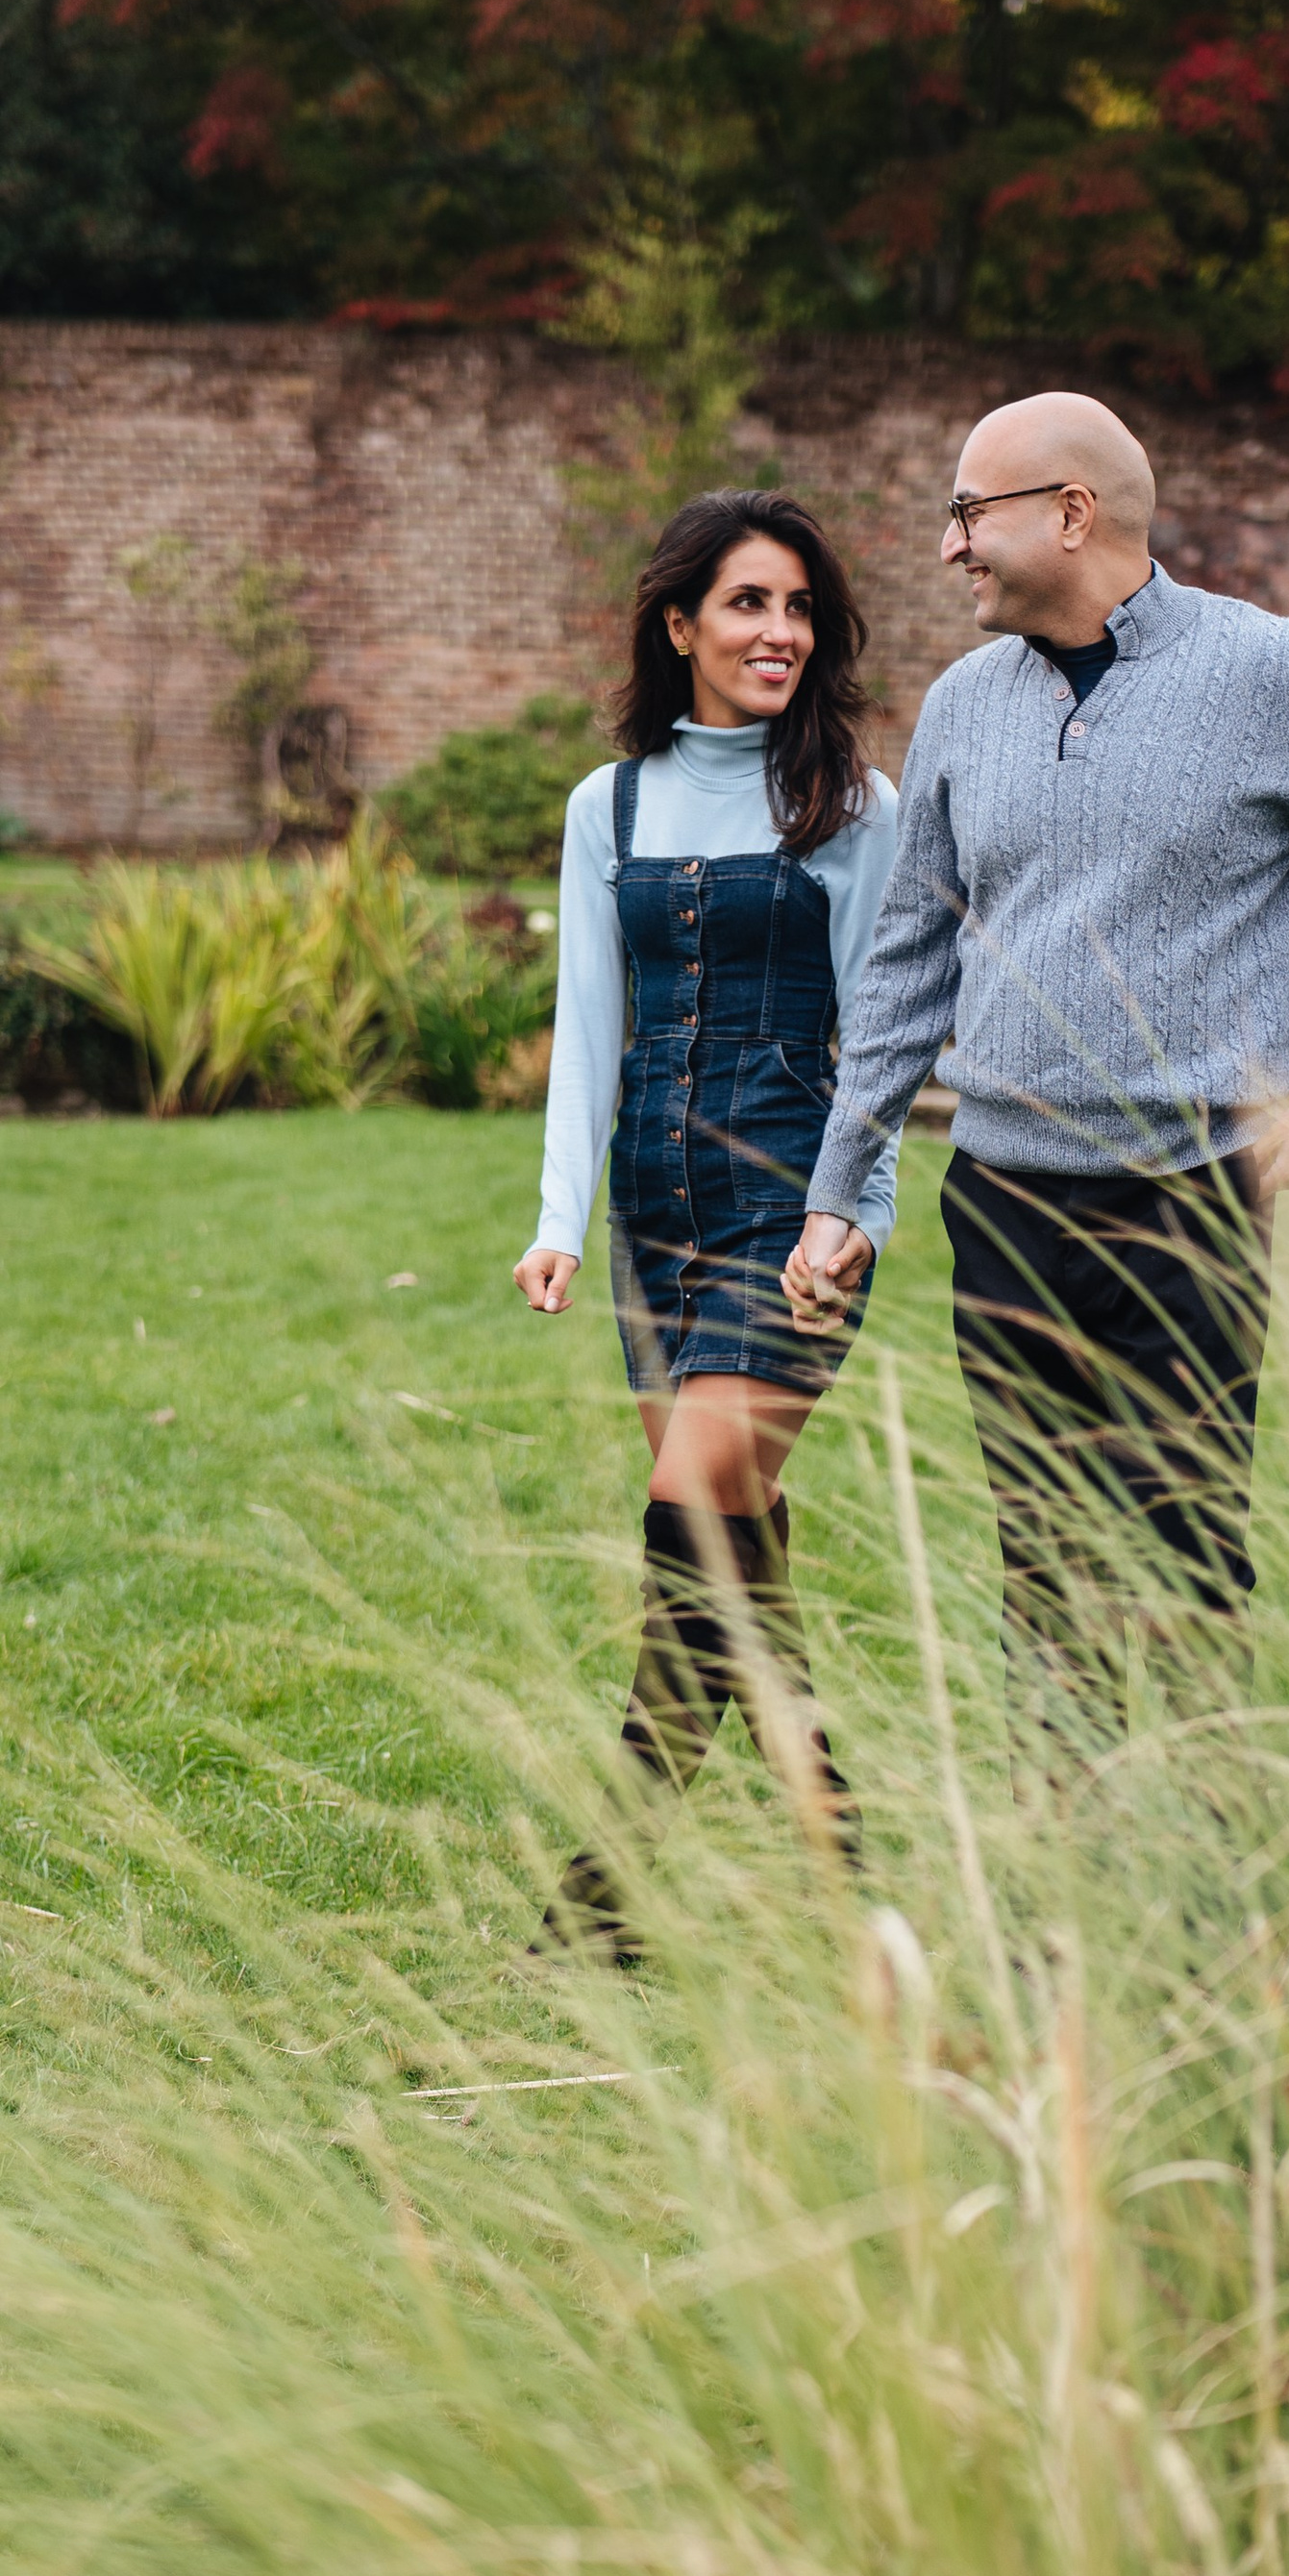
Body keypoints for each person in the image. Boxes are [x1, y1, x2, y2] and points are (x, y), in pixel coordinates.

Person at [782, 390, 1289, 1732]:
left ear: (1071, 512)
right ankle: (1060, 1893)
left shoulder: (1282, 679)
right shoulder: (965, 703)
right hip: (1001, 1202)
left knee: (1185, 1561)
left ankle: (1203, 1887)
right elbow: (910, 959)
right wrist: (839, 1183)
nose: (949, 549)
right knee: (1039, 1568)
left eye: (966, 514)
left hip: (1192, 1200)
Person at [517, 488, 901, 1938]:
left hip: (790, 1218)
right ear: (677, 624)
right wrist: (561, 1218)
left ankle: (598, 1901)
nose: (780, 632)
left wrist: (851, 1212)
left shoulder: (854, 807)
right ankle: (848, 1866)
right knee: (734, 1553)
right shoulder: (604, 806)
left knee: (689, 1522)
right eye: (749, 604)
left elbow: (887, 1033)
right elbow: (587, 1027)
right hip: (651, 1221)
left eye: (800, 608)